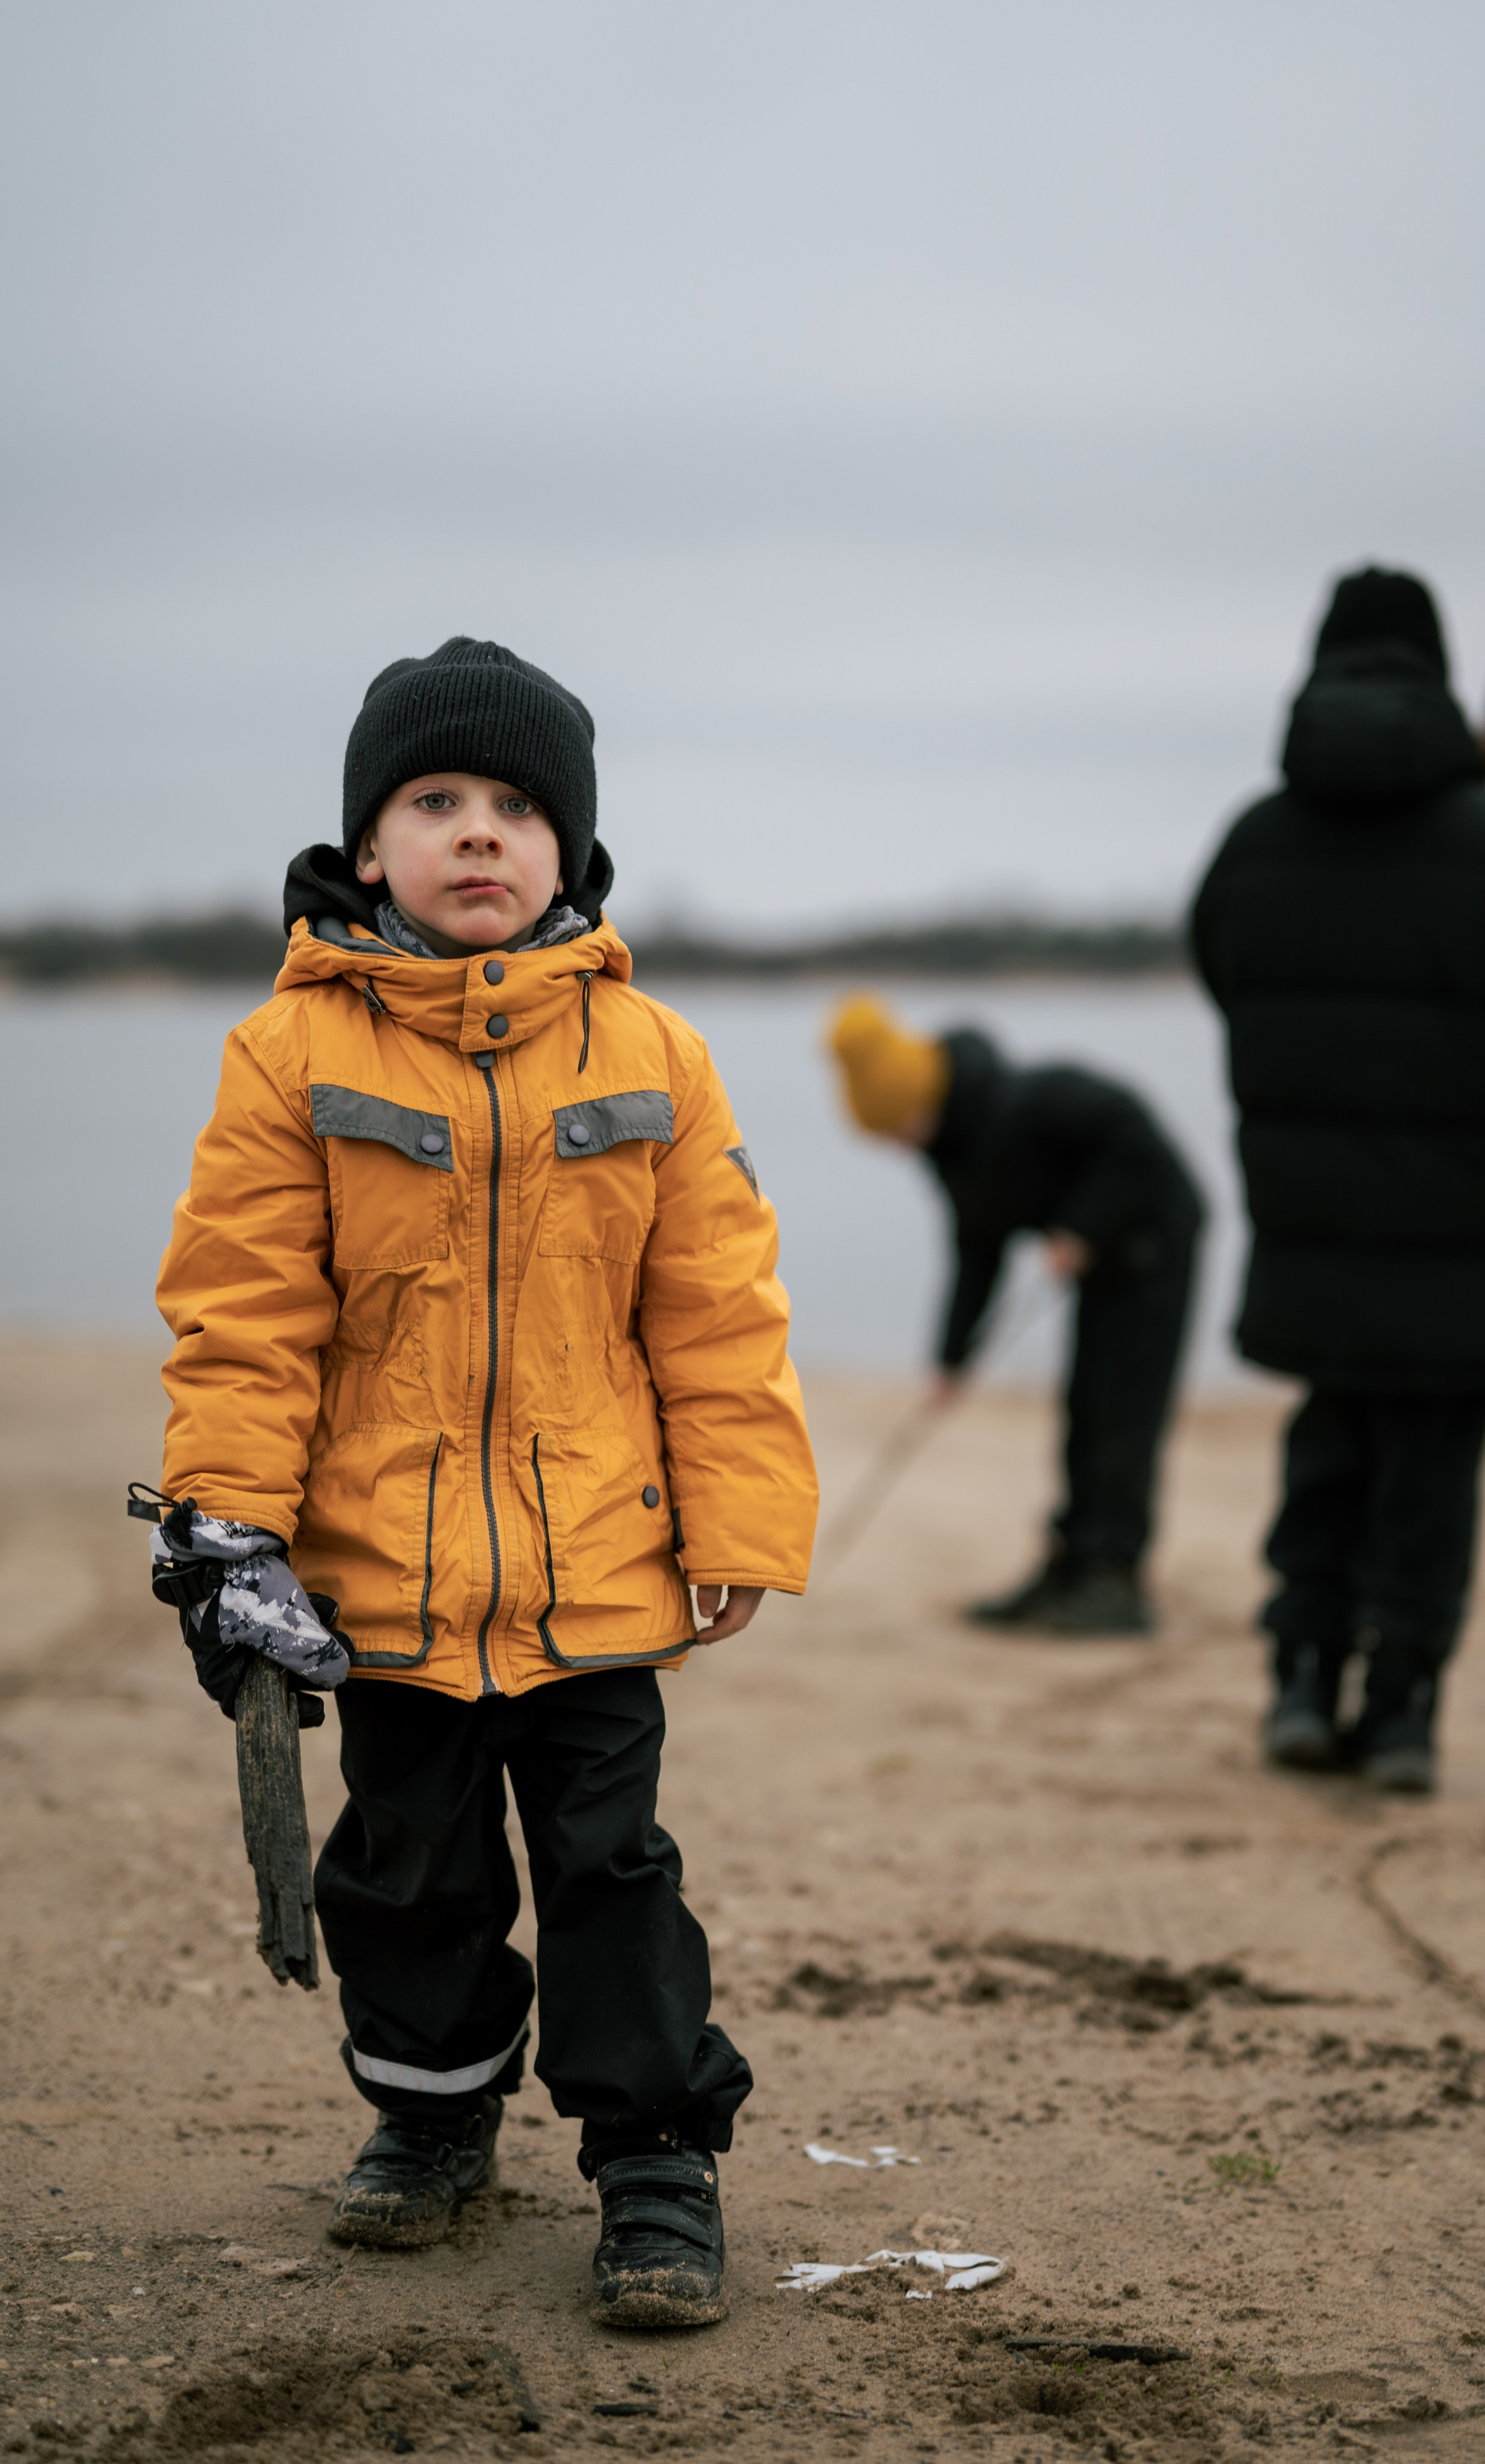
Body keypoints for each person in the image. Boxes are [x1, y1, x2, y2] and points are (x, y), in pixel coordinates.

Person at [147, 636, 818, 2328]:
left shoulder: (653, 1052)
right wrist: (232, 1532)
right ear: (369, 846)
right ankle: (433, 2122)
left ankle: (655, 2156)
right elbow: (244, 1319)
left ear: (570, 852)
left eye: (516, 807)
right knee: (408, 1875)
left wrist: (738, 1521)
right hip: (387, 1581)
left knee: (614, 1871)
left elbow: (720, 1316)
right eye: (434, 802)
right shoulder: (287, 1058)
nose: (476, 835)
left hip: (598, 1574)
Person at [1193, 567, 1485, 1794]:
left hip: (1313, 1218)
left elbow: (1230, 975)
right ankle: (1401, 1710)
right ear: (1441, 673)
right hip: (1464, 1229)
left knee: (1328, 1447)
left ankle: (1299, 1676)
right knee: (1431, 1477)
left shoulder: (1255, 840)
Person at [827, 994, 1203, 1633]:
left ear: (918, 1100)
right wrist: (951, 1361)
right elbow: (976, 1254)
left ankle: (1115, 1579)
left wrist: (1081, 1226)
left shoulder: (1028, 1101)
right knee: (1084, 1406)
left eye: (896, 1128)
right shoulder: (951, 1151)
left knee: (1121, 1411)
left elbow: (1135, 1137)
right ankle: (1073, 1560)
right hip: (1104, 1264)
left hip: (1156, 1241)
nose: (897, 1146)